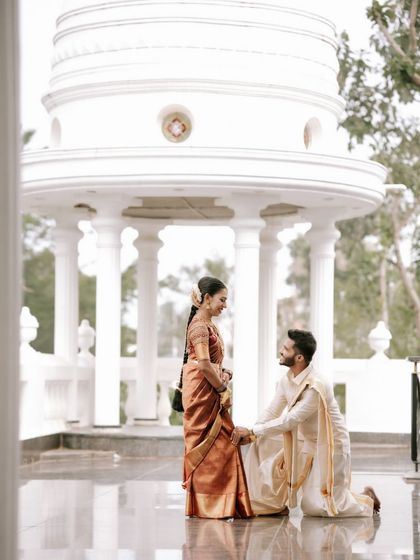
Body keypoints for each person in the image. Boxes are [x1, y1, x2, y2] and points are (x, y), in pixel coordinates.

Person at [231, 329, 380, 518]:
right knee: (260, 441)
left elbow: (290, 420)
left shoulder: (316, 386)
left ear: (299, 357)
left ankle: (367, 499)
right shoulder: (287, 380)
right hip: (304, 441)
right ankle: (272, 504)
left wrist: (252, 430)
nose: (281, 351)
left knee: (317, 507)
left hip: (330, 445)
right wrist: (251, 434)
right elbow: (272, 411)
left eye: (285, 349)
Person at [181, 276, 253, 519]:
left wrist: (223, 372)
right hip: (204, 394)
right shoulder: (200, 326)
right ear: (207, 298)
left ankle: (221, 505)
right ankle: (210, 506)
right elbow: (202, 364)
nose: (225, 305)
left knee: (222, 446)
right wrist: (222, 389)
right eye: (222, 299)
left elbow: (211, 362)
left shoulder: (209, 324)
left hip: (210, 388)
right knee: (217, 446)